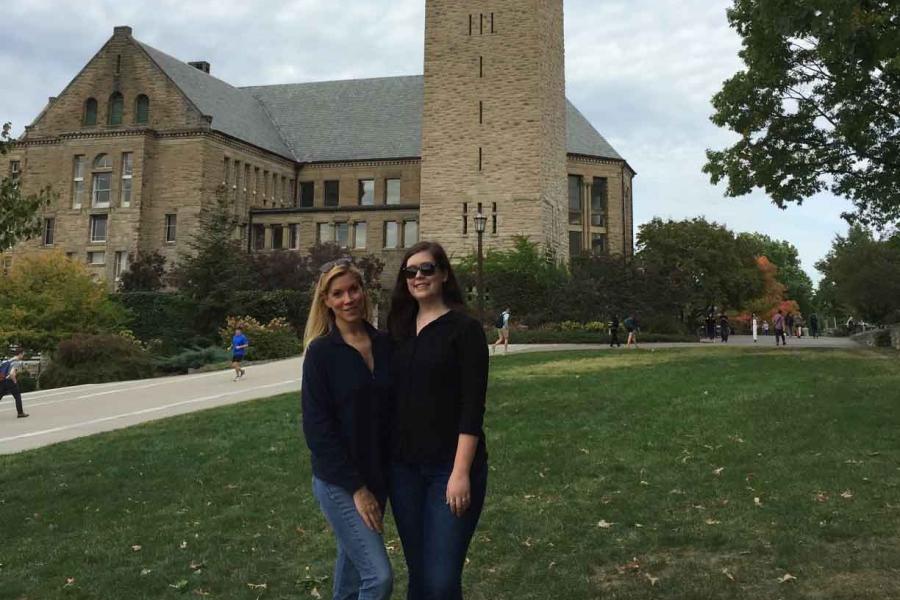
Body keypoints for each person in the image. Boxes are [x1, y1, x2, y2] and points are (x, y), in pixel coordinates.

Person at [387, 241, 489, 600]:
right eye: (410, 271)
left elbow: (472, 408)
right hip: (404, 470)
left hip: (448, 467)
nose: (418, 277)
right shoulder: (398, 329)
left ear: (444, 274)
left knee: (441, 580)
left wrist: (460, 473)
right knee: (419, 576)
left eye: (427, 269)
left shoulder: (464, 329)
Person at [301, 258, 394, 600]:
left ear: (363, 291)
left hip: (378, 476)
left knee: (352, 570)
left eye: (353, 289)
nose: (348, 299)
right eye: (338, 294)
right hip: (339, 481)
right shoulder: (321, 353)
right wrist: (357, 489)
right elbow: (317, 429)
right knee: (378, 577)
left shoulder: (385, 343)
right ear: (326, 301)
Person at [0, 348, 28, 418]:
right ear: (20, 354)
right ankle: (20, 413)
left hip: (3, 381)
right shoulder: (16, 362)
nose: (23, 356)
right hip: (10, 381)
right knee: (17, 396)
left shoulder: (9, 360)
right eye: (23, 354)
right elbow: (12, 373)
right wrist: (15, 381)